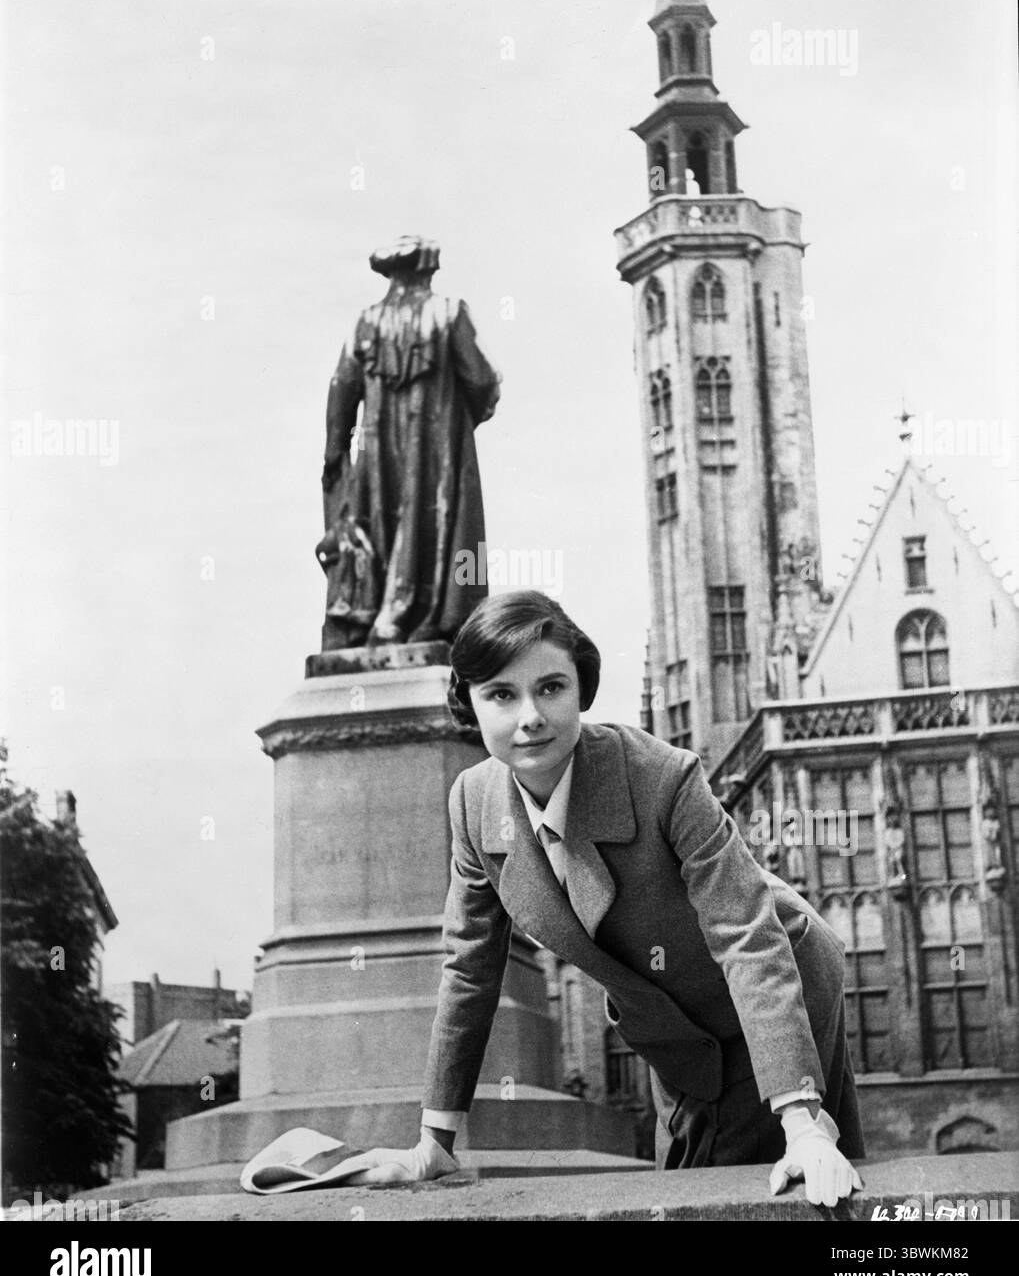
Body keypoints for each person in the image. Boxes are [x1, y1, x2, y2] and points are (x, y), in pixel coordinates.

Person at [349, 591, 865, 1206]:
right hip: (672, 1036)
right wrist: (435, 1142)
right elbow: (469, 971)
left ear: (582, 689)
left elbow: (746, 935)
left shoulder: (663, 777)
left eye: (550, 688)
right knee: (682, 1193)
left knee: (771, 1190)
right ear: (470, 704)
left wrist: (803, 1124)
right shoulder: (473, 802)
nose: (529, 718)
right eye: (501, 695)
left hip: (778, 994)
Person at [316, 235, 501, 649]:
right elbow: (483, 381)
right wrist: (461, 418)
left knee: (380, 519)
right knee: (439, 522)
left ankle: (379, 617)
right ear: (427, 269)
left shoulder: (366, 322)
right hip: (439, 453)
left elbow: (341, 387)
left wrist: (335, 449)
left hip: (377, 456)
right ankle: (432, 619)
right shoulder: (450, 314)